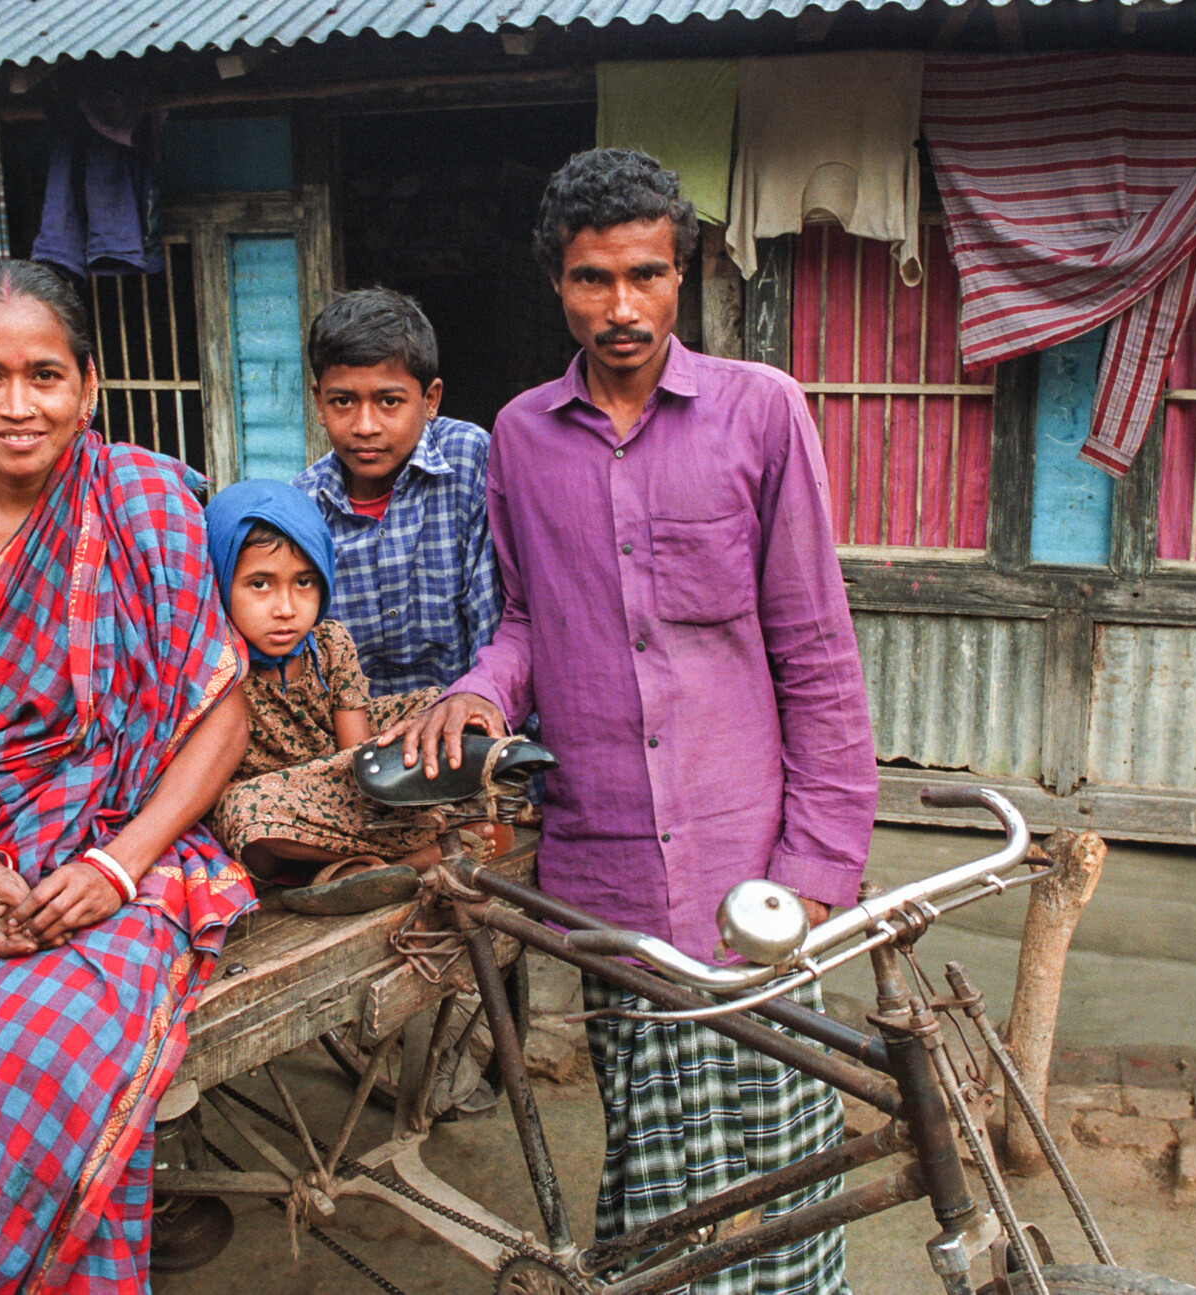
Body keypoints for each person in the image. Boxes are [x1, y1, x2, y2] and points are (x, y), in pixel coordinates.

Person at [385, 148, 878, 1294]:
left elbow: (815, 649)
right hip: (607, 861)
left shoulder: (760, 411)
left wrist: (816, 862)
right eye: (591, 279)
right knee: (655, 1159)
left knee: (784, 1149)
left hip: (749, 860)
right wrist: (478, 689)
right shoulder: (520, 435)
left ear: (681, 273)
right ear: (556, 285)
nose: (621, 307)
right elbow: (523, 621)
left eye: (645, 275)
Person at [0, 259, 256, 1293]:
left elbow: (222, 714)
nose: (17, 403)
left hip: (136, 832)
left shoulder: (144, 500)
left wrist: (122, 867)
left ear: (87, 383)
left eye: (44, 374)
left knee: (67, 1034)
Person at [201, 479, 449, 914]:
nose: (286, 608)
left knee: (437, 705)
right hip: (282, 807)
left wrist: (367, 783)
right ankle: (409, 856)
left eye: (304, 582)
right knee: (242, 813)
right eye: (260, 584)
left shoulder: (331, 642)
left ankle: (359, 869)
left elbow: (356, 757)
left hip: (346, 781)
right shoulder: (216, 663)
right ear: (220, 579)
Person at [293, 287, 501, 696]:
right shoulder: (303, 506)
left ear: (430, 399)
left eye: (389, 401)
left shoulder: (469, 461)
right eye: (343, 402)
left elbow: (490, 616)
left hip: (462, 722)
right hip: (353, 738)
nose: (365, 425)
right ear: (319, 403)